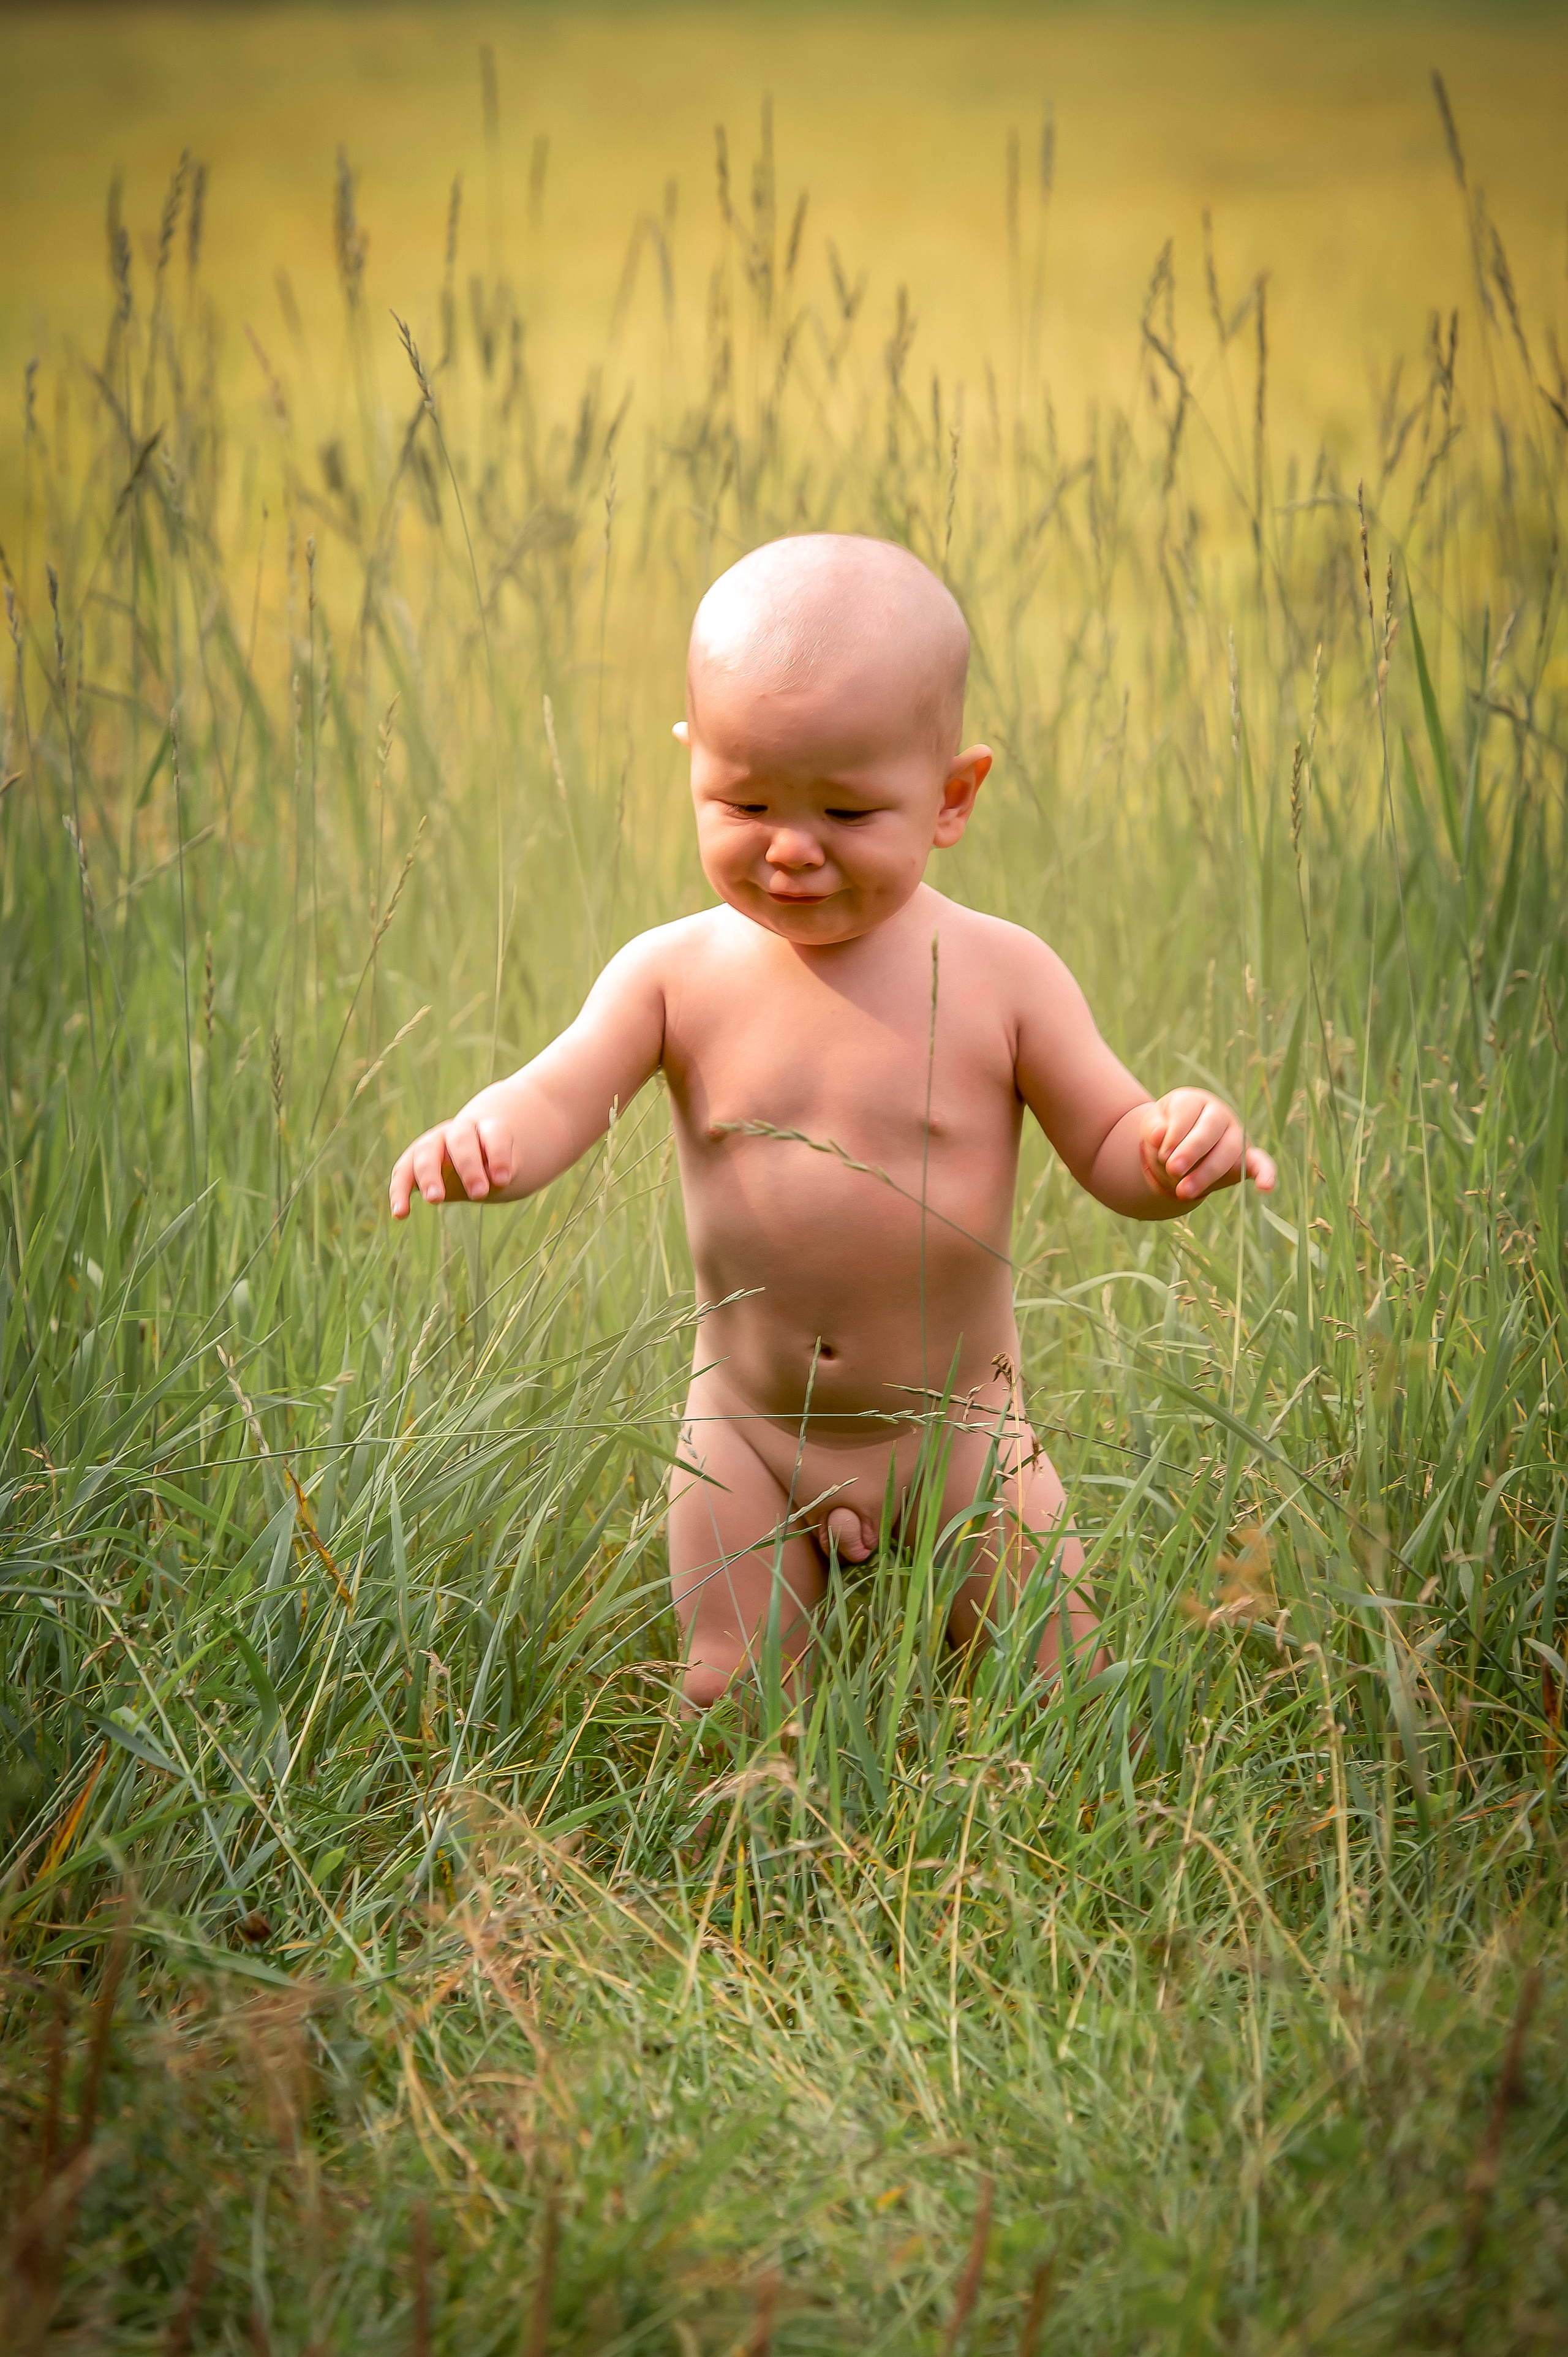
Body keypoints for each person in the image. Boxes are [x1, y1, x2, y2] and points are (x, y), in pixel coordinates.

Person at [389, 535, 1275, 1710]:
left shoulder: (1004, 977)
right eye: (744, 801)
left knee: (1059, 1685)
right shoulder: (672, 975)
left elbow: (1113, 1145)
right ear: (693, 761)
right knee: (735, 1688)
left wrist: (1174, 1149)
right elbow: (557, 1097)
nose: (792, 848)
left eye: (849, 811)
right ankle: (764, 1797)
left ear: (953, 797)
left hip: (960, 1440)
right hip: (747, 1434)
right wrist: (485, 1138)